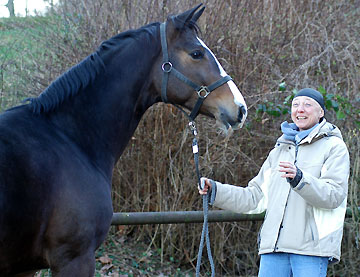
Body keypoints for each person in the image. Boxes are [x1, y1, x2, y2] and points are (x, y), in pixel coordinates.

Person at [199, 88, 350, 276]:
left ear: (321, 113)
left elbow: (334, 196)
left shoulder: (334, 147)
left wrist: (300, 179)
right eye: (295, 105)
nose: (300, 109)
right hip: (273, 250)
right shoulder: (279, 149)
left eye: (307, 105)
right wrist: (215, 190)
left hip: (311, 251)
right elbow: (254, 197)